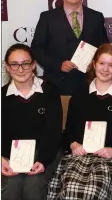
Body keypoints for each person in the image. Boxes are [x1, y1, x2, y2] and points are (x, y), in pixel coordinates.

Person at [48, 44, 112, 200]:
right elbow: (68, 130)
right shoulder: (79, 95)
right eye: (101, 63)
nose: (105, 69)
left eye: (111, 65)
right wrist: (73, 144)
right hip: (79, 157)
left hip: (107, 160)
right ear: (94, 64)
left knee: (92, 190)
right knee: (71, 187)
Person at [31, 0, 109, 95]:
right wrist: (58, 64)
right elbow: (36, 49)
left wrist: (95, 62)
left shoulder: (96, 17)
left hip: (90, 85)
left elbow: (104, 47)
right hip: (56, 86)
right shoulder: (47, 18)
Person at [1, 43, 62, 200]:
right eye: (14, 64)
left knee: (33, 185)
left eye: (25, 64)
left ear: (34, 64)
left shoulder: (50, 91)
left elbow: (53, 132)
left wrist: (42, 160)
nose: (20, 70)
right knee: (12, 186)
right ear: (7, 67)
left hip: (45, 152)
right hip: (11, 156)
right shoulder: (2, 96)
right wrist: (2, 158)